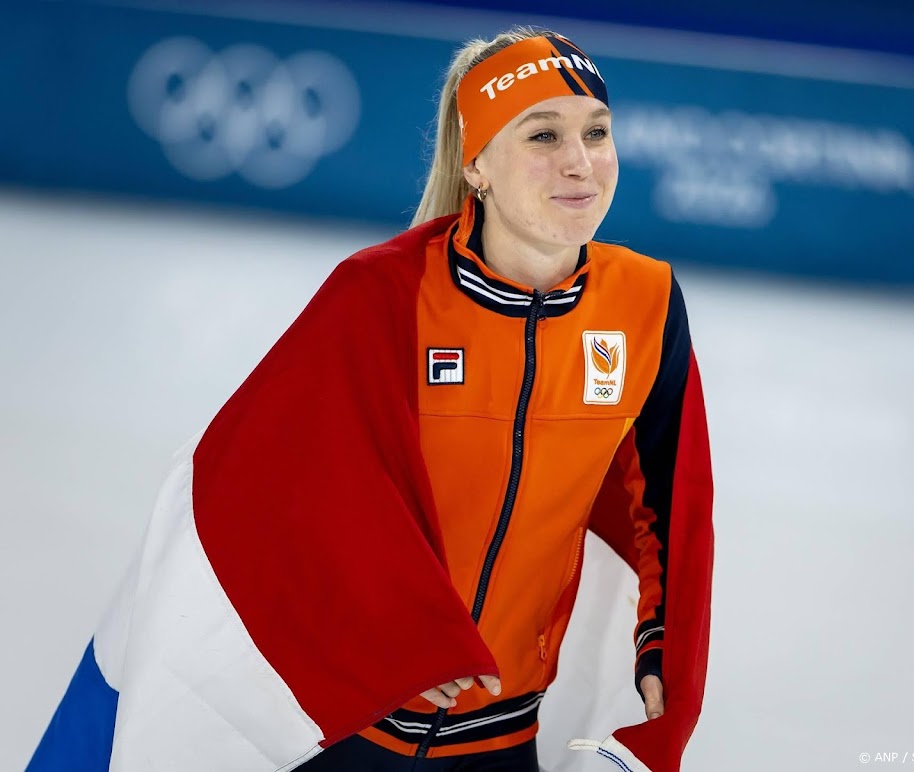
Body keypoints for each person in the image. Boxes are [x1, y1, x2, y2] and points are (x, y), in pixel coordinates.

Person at [29, 27, 713, 772]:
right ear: (477, 164)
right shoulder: (384, 292)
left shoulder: (644, 302)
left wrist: (656, 646)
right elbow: (280, 480)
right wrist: (406, 633)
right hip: (344, 724)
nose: (580, 162)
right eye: (543, 135)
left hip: (505, 739)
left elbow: (669, 504)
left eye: (597, 132)